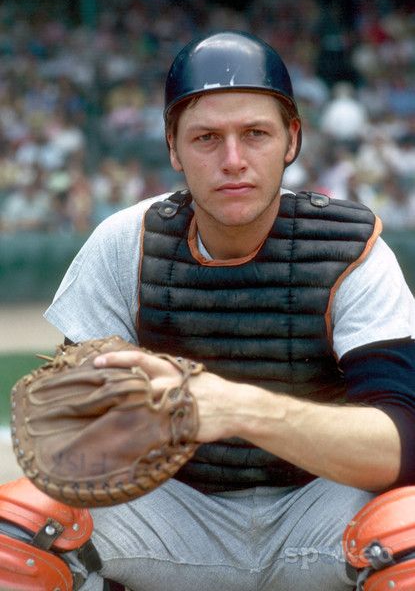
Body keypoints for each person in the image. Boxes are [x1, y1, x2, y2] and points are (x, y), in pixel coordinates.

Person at [43, 31, 415, 590]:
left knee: (410, 529)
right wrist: (113, 412)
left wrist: (235, 407)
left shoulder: (353, 249)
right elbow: (71, 442)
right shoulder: (127, 242)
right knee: (25, 527)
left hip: (317, 514)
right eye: (207, 138)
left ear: (292, 140)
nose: (233, 160)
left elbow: (404, 443)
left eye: (256, 134)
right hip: (174, 517)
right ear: (173, 148)